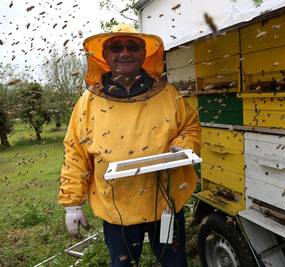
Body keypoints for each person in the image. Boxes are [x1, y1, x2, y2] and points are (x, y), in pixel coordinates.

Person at [58, 24, 201, 267]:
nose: (124, 53)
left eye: (132, 46)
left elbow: (191, 126)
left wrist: (182, 145)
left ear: (144, 53)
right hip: (117, 209)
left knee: (174, 262)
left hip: (165, 203)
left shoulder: (168, 94)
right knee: (123, 264)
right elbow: (76, 153)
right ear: (104, 55)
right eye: (116, 47)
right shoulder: (87, 103)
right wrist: (73, 202)